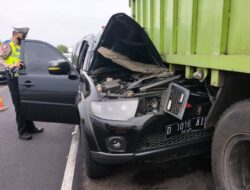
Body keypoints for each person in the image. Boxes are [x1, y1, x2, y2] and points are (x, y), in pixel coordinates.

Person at [0, 27, 44, 140]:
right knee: (19, 106)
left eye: (25, 37)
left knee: (27, 104)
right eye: (22, 36)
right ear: (15, 34)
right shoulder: (8, 45)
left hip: (22, 79)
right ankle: (22, 131)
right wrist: (10, 65)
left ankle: (31, 127)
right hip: (13, 79)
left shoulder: (21, 46)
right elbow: (0, 59)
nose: (23, 38)